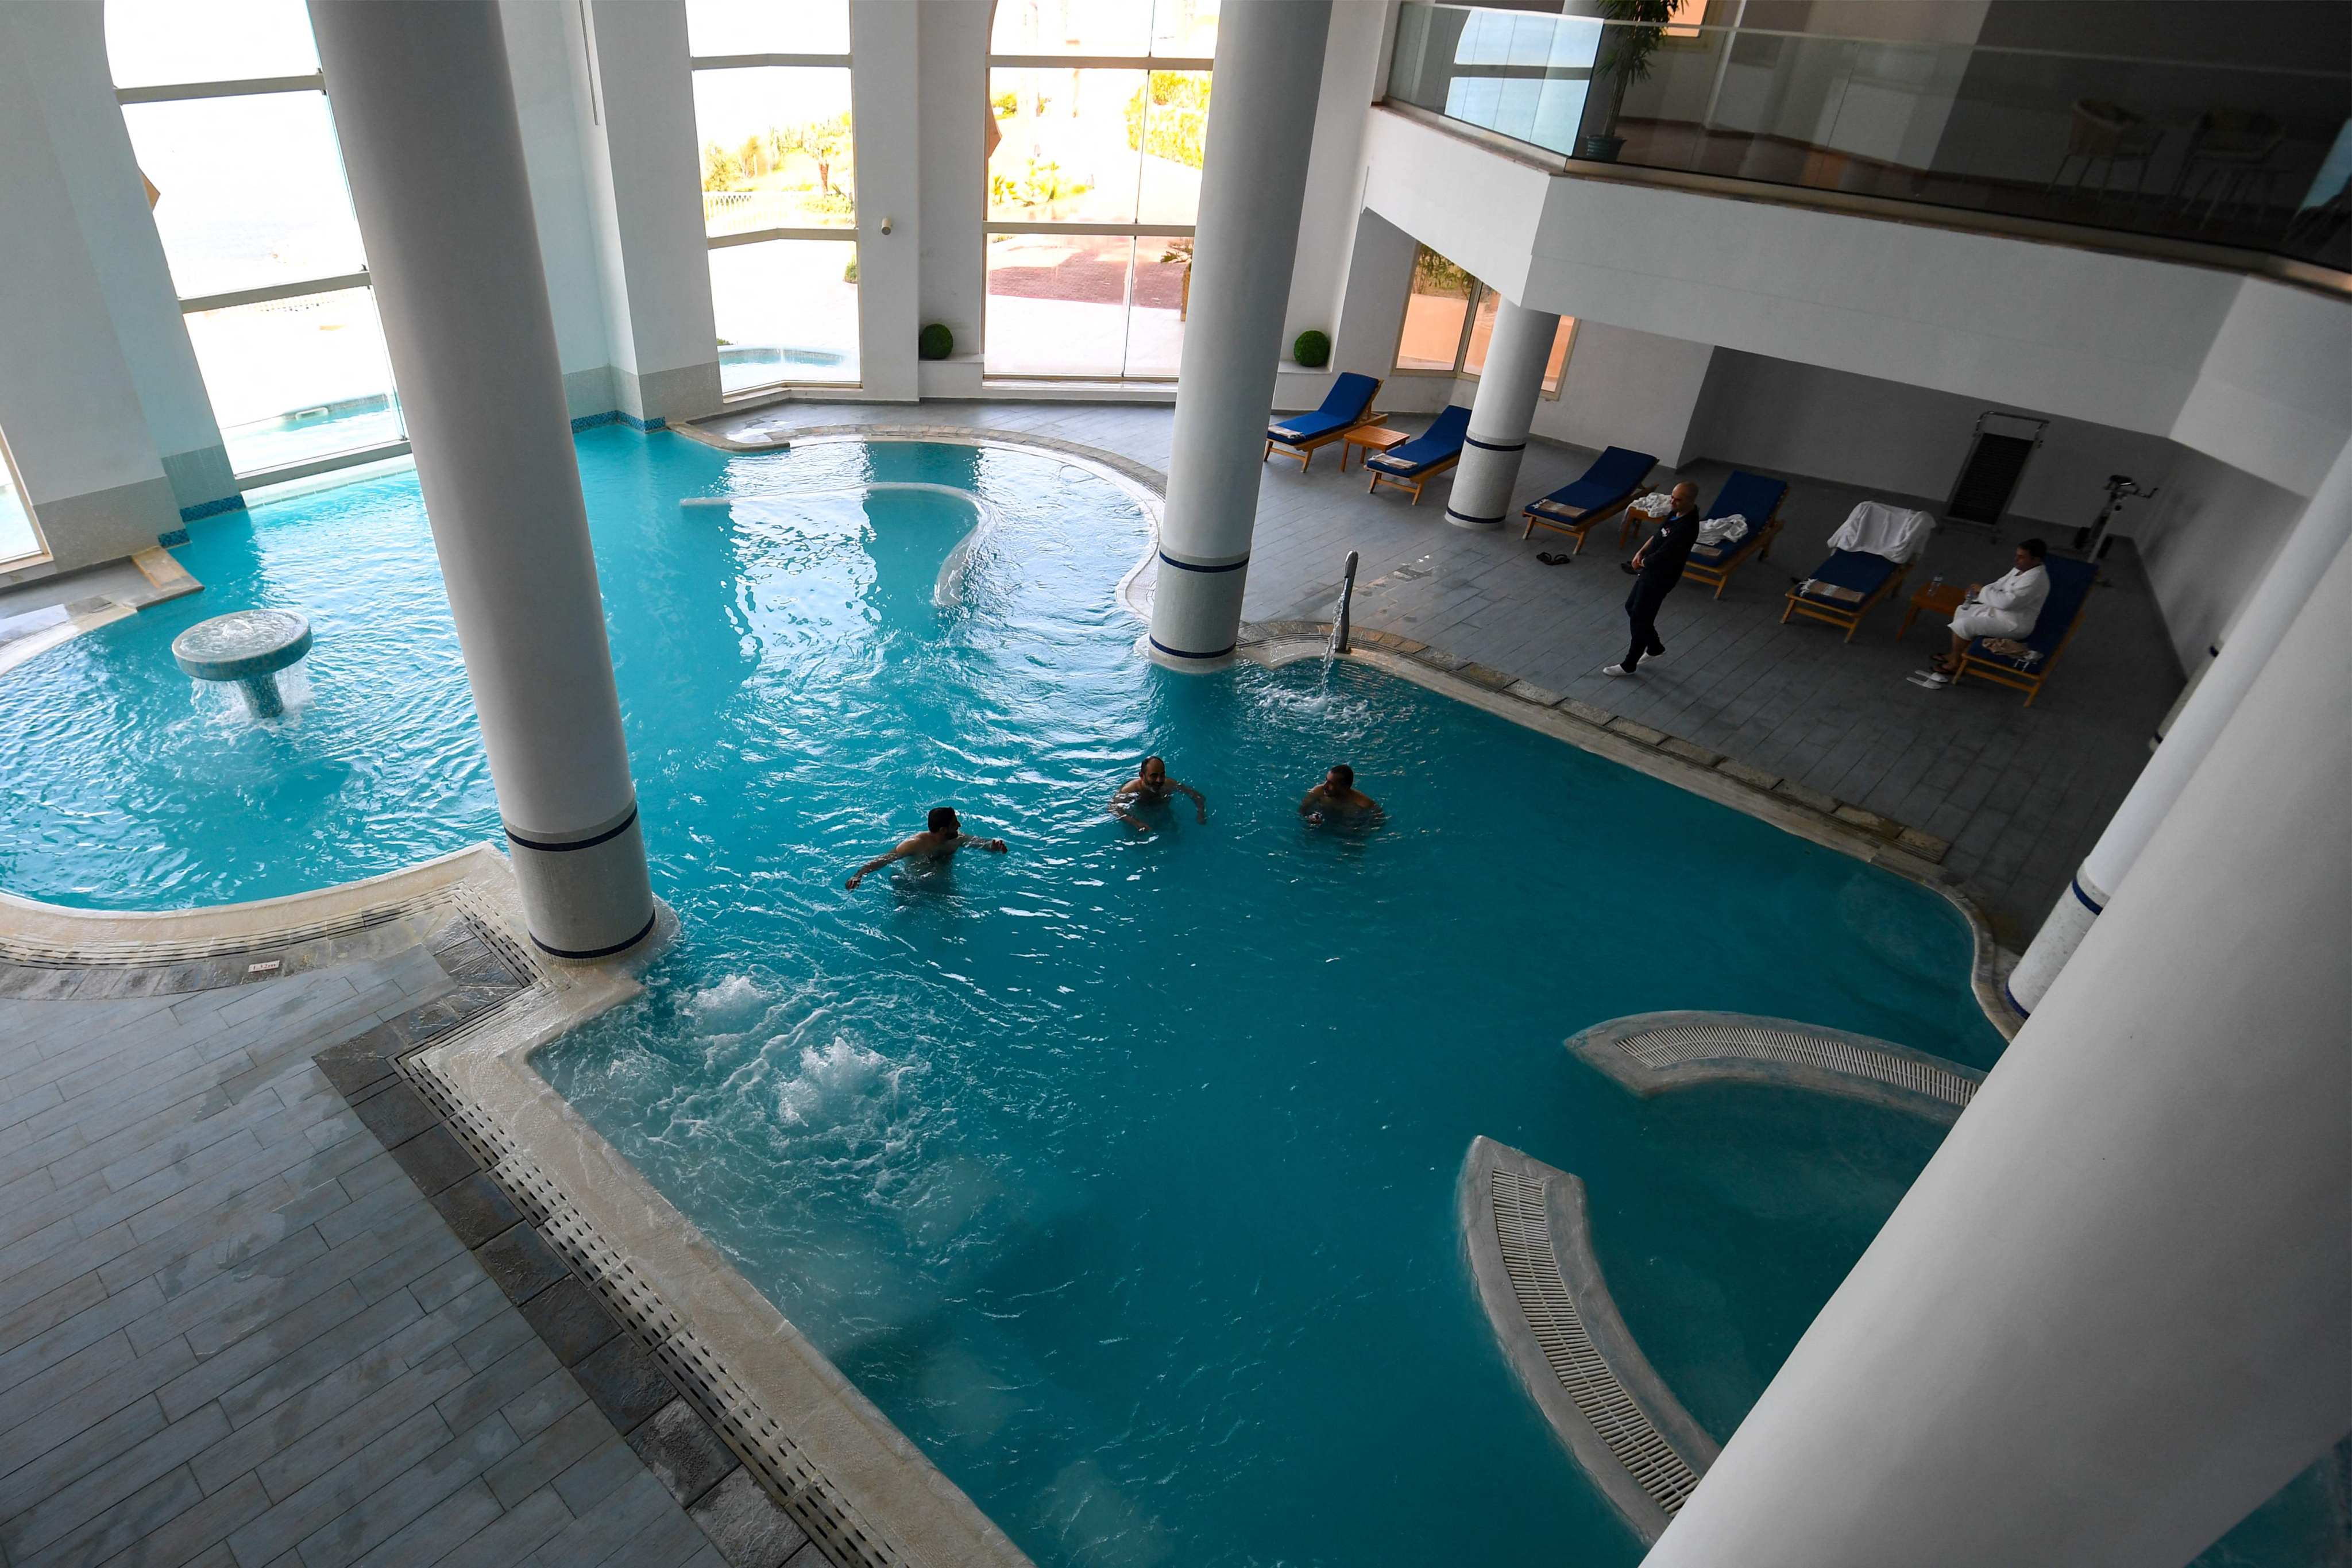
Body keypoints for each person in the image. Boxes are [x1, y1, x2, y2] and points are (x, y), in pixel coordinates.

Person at [1913, 539, 2050, 689]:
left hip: (2013, 624)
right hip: (1998, 612)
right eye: (2017, 555)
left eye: (2022, 557)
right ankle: (1955, 654)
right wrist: (1978, 591)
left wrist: (1983, 591)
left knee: (1964, 625)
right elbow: (1999, 584)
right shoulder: (2021, 569)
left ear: (2036, 560)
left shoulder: (2035, 579)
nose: (2016, 559)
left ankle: (1955, 664)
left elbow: (2007, 603)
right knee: (1963, 609)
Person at [1601, 481, 1701, 677]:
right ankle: (1654, 647)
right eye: (1672, 497)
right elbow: (1658, 536)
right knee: (1632, 608)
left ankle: (1630, 663)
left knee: (1641, 617)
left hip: (1661, 577)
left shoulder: (1687, 528)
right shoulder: (1676, 513)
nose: (1672, 501)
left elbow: (1665, 554)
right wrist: (1641, 551)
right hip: (1649, 571)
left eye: (1678, 499)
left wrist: (1642, 562)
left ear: (1690, 501)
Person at [844, 806, 1006, 889]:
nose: (959, 825)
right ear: (943, 830)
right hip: (910, 883)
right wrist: (858, 875)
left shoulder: (957, 838)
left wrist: (994, 846)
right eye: (954, 824)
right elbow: (884, 859)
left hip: (940, 882)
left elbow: (979, 843)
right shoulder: (914, 844)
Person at [1109, 755, 1206, 828]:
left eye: (1162, 775)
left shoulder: (1169, 784)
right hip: (1140, 814)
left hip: (1162, 812)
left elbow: (1197, 796)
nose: (1159, 780)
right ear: (1142, 776)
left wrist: (1201, 814)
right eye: (1154, 776)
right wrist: (1137, 824)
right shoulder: (1129, 790)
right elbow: (1113, 808)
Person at [1299, 764, 1379, 826]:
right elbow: (1302, 811)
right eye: (1326, 780)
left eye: (1331, 783)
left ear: (1345, 787)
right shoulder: (1318, 792)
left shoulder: (1363, 803)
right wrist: (1309, 818)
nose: (1325, 786)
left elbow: (1378, 823)